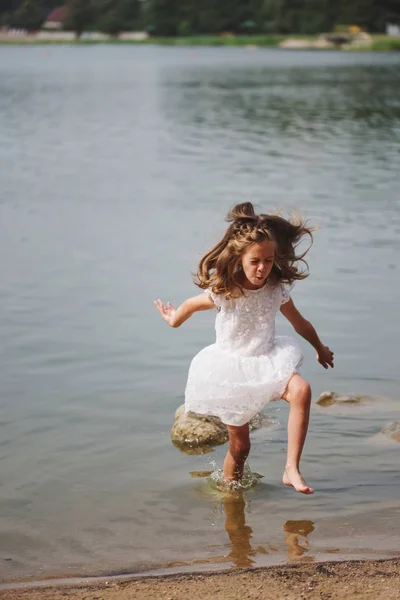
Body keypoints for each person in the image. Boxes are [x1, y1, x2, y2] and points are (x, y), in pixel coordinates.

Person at [155, 202, 334, 494]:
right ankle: (231, 499)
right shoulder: (226, 290)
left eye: (268, 259)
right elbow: (189, 305)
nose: (262, 268)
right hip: (231, 370)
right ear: (240, 258)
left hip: (268, 358)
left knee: (301, 389)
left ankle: (291, 467)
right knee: (240, 447)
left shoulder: (276, 288)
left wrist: (320, 348)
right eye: (255, 261)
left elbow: (300, 323)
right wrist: (173, 320)